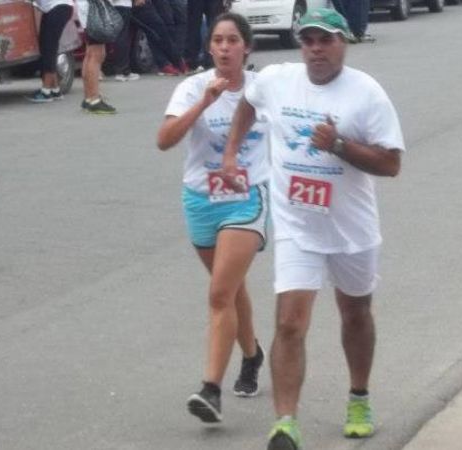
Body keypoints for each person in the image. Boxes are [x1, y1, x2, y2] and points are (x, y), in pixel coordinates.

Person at [220, 8, 405, 449]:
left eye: (325, 40)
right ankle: (285, 422)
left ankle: (359, 396)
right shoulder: (278, 79)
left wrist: (339, 145)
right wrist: (232, 154)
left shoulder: (367, 94)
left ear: (343, 42)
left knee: (355, 313)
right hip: (297, 225)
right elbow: (248, 101)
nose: (316, 50)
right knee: (289, 322)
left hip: (350, 228)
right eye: (308, 41)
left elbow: (392, 163)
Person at [156, 12, 268, 424]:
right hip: (200, 199)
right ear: (209, 47)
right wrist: (206, 100)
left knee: (220, 294)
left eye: (232, 40)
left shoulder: (262, 89)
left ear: (247, 47)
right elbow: (164, 141)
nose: (224, 47)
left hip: (247, 198)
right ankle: (253, 354)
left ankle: (210, 390)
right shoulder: (191, 87)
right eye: (217, 40)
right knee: (231, 289)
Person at [27, 0, 74, 102]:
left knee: (49, 48)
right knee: (47, 47)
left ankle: (46, 91)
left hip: (58, 8)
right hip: (56, 8)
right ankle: (55, 90)